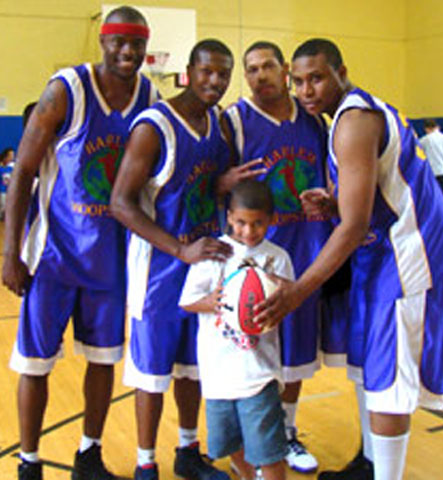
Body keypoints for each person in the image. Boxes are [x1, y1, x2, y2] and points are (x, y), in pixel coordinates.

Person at [255, 38, 443, 480]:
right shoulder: (352, 114)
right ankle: (369, 464)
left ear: (341, 71)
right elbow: (373, 197)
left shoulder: (354, 121)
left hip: (412, 255)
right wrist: (335, 204)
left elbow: (353, 228)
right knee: (369, 364)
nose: (306, 90)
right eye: (298, 82)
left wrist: (297, 291)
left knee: (390, 378)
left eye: (316, 78)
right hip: (384, 252)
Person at [2, 6, 158, 480]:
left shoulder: (150, 95)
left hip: (112, 259)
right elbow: (24, 171)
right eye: (119, 43)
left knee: (103, 361)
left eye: (137, 44)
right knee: (35, 362)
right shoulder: (65, 90)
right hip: (54, 256)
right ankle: (29, 461)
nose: (128, 52)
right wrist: (10, 251)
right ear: (103, 42)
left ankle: (88, 454)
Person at [220, 41, 349, 474]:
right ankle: (255, 436)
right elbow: (214, 183)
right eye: (252, 69)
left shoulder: (314, 116)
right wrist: (223, 183)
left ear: (285, 69)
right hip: (256, 255)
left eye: (269, 66)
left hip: (308, 248)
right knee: (253, 350)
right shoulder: (234, 120)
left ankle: (286, 433)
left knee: (295, 353)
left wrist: (331, 199)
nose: (261, 75)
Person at [109, 39, 235, 480]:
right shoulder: (154, 125)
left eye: (223, 74)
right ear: (188, 71)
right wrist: (180, 249)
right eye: (207, 72)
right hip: (160, 266)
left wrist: (222, 186)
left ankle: (187, 451)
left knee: (192, 366)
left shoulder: (218, 124)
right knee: (151, 371)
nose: (215, 82)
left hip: (203, 262)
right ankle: (146, 462)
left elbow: (201, 186)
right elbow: (121, 203)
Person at [179, 180, 294, 480]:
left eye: (258, 223)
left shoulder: (277, 258)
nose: (248, 231)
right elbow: (187, 301)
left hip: (259, 373)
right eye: (241, 222)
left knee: (269, 452)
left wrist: (275, 288)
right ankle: (245, 475)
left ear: (271, 220)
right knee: (231, 444)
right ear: (229, 216)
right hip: (218, 374)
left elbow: (291, 299)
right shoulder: (214, 252)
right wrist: (212, 301)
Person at [0, 147, 15, 220]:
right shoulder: (1, 168)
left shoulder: (12, 167)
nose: (12, 157)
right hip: (2, 191)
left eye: (12, 156)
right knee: (2, 206)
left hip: (9, 191)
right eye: (10, 156)